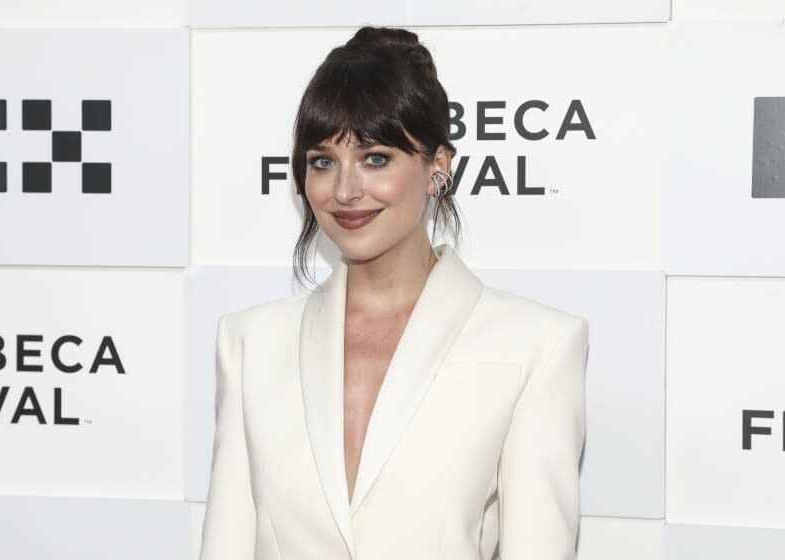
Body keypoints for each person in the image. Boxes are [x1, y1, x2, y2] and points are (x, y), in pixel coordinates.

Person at [199, 26, 590, 560]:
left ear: (438, 168)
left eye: (375, 158)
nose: (344, 190)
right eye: (322, 161)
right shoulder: (249, 343)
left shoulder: (536, 348)